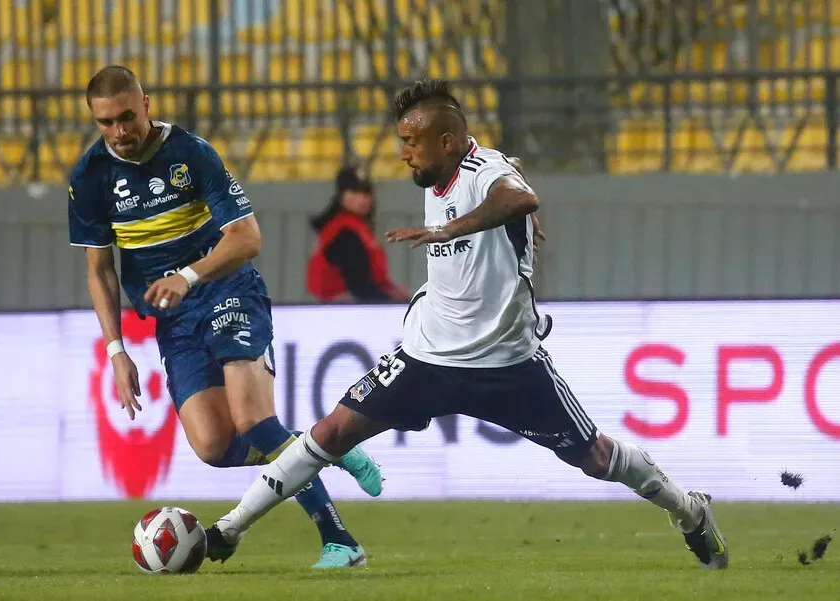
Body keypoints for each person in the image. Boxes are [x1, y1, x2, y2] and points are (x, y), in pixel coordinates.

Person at [206, 78, 729, 571]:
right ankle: (227, 531)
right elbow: (513, 195)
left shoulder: (484, 171)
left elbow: (519, 196)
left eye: (411, 141)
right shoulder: (440, 171)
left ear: (448, 140)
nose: (403, 152)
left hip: (507, 365)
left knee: (594, 457)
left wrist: (453, 228)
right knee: (333, 430)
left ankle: (688, 509)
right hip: (427, 358)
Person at [67, 65, 382, 569]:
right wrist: (116, 350)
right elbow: (100, 270)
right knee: (214, 445)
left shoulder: (191, 154)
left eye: (127, 116)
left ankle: (339, 541)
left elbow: (248, 238)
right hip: (172, 318)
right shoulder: (89, 177)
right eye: (106, 122)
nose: (120, 131)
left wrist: (188, 275)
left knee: (254, 422)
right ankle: (323, 446)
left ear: (146, 104)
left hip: (225, 289)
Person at [306, 165, 410, 303]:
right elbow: (359, 286)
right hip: (344, 309)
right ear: (341, 196)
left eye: (366, 193)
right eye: (354, 192)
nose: (362, 199)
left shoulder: (351, 227)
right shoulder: (344, 232)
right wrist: (391, 300)